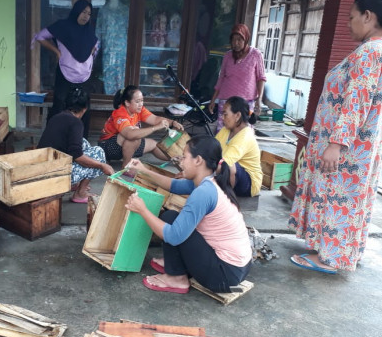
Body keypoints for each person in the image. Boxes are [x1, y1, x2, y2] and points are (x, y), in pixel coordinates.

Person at [289, 0, 382, 274]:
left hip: (348, 148)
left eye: (352, 17)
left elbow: (355, 103)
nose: (347, 23)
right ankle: (332, 250)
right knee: (347, 201)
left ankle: (329, 258)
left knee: (337, 197)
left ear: (368, 17)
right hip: (365, 147)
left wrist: (336, 144)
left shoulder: (371, 52)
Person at [125, 136, 252, 294]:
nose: (181, 162)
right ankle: (176, 266)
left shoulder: (203, 192)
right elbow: (173, 185)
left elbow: (173, 236)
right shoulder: (210, 181)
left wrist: (142, 210)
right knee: (172, 217)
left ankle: (177, 279)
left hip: (224, 277)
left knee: (173, 223)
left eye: (185, 157)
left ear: (198, 160)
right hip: (239, 268)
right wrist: (143, 170)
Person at [34, 0, 98, 137]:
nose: (86, 16)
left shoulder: (89, 30)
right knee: (60, 105)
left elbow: (95, 45)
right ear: (76, 11)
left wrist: (92, 54)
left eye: (88, 13)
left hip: (84, 76)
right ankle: (54, 140)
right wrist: (56, 51)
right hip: (65, 72)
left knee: (84, 109)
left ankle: (81, 142)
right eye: (83, 12)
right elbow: (40, 36)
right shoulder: (62, 26)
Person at [38, 87, 114, 203]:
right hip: (55, 175)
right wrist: (102, 165)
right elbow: (78, 156)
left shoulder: (57, 117)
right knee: (98, 153)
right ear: (84, 109)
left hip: (43, 168)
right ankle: (80, 193)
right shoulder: (75, 123)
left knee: (83, 143)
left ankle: (76, 183)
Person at [98, 85, 183, 168]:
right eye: (137, 101)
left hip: (123, 144)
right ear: (127, 102)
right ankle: (126, 166)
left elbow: (155, 119)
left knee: (153, 144)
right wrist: (155, 128)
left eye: (142, 100)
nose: (141, 104)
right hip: (107, 147)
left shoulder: (139, 110)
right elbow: (130, 134)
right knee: (134, 135)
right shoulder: (120, 113)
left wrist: (172, 122)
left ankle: (177, 159)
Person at [208, 24, 266, 133]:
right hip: (226, 101)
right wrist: (213, 100)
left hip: (246, 102)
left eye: (239, 40)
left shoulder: (255, 54)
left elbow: (261, 78)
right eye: (233, 40)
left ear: (246, 39)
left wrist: (259, 99)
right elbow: (221, 78)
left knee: (244, 133)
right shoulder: (227, 56)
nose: (236, 43)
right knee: (223, 132)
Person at [215, 96, 262, 197]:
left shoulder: (245, 136)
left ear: (237, 116)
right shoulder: (225, 130)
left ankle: (226, 198)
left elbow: (225, 164)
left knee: (227, 166)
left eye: (225, 114)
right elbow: (211, 148)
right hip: (233, 175)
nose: (222, 118)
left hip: (249, 183)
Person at [95, 0, 129, 95]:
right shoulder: (103, 11)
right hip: (108, 50)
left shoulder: (125, 10)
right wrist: (95, 51)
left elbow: (130, 31)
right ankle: (109, 98)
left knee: (121, 76)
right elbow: (98, 32)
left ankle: (120, 99)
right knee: (108, 75)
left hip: (122, 51)